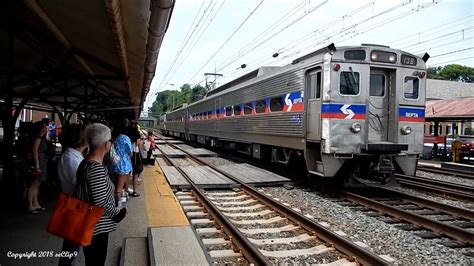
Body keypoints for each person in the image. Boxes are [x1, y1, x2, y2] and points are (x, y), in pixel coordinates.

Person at [75, 123, 127, 266]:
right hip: (96, 227)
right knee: (96, 262)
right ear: (106, 145)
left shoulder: (85, 163)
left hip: (89, 224)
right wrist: (118, 213)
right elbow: (100, 202)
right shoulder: (96, 169)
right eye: (110, 141)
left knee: (92, 261)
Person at [57, 123, 87, 266]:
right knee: (71, 248)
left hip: (73, 205)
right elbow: (79, 184)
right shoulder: (71, 159)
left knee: (72, 246)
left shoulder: (73, 155)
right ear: (80, 138)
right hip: (74, 207)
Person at [26, 121, 49, 214]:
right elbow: (35, 151)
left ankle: (35, 204)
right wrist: (37, 165)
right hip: (38, 162)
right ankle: (30, 206)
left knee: (37, 184)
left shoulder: (40, 137)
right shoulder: (38, 138)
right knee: (34, 184)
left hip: (41, 161)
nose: (46, 127)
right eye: (44, 126)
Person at [109, 119, 133, 202]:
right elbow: (130, 153)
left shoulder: (113, 137)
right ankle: (117, 207)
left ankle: (111, 203)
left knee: (113, 186)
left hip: (113, 163)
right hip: (123, 166)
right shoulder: (125, 138)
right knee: (119, 189)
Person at [127, 122, 142, 197]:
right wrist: (141, 153)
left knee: (127, 173)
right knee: (135, 174)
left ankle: (126, 190)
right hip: (135, 154)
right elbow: (138, 144)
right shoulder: (136, 132)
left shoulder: (126, 132)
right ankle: (135, 192)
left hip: (127, 155)